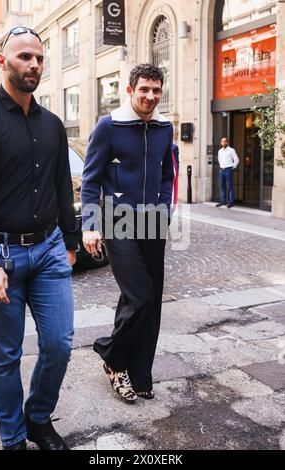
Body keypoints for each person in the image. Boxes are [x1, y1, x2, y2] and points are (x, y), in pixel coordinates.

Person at [0, 26, 77, 450]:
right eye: (24, 57)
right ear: (2, 61)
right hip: (0, 258)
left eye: (39, 58)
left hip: (50, 250)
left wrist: (72, 244)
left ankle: (38, 418)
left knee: (58, 344)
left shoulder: (53, 124)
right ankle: (13, 438)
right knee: (6, 357)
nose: (34, 65)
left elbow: (62, 187)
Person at [81, 64, 174, 403]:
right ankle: (112, 354)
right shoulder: (109, 126)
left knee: (149, 303)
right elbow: (90, 180)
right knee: (139, 295)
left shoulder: (165, 128)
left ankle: (139, 373)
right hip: (117, 219)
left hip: (153, 222)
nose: (150, 96)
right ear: (130, 90)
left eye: (156, 90)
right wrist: (90, 226)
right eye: (144, 89)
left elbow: (168, 175)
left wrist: (165, 209)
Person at [216, 137, 239, 208]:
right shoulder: (220, 151)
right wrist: (221, 166)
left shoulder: (231, 150)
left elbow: (236, 160)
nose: (223, 143)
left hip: (228, 169)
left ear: (227, 142)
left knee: (229, 186)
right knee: (222, 185)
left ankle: (231, 202)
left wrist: (233, 167)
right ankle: (223, 201)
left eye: (225, 141)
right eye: (222, 141)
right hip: (222, 170)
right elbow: (219, 159)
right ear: (221, 143)